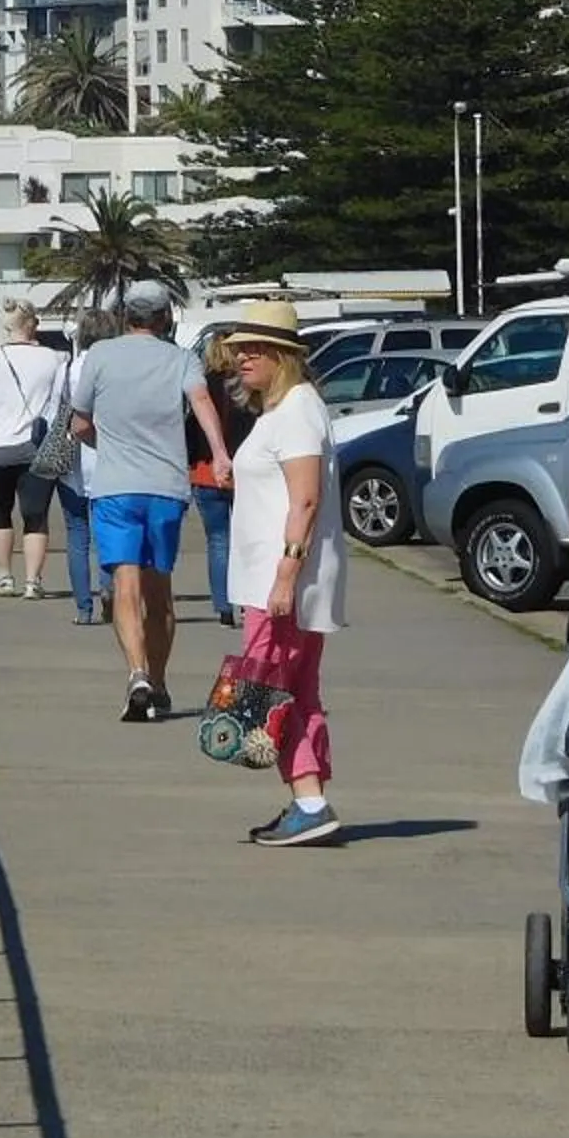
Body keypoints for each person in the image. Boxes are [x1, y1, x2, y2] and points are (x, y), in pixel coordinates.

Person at [68, 280, 234, 722]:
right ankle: (158, 681)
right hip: (166, 487)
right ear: (164, 319)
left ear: (126, 316)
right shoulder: (181, 358)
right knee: (160, 592)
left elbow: (79, 423)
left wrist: (108, 445)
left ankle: (136, 672)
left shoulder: (100, 356)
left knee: (125, 583)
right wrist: (219, 455)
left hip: (115, 486)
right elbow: (201, 400)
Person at [218, 298, 347, 846]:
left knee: (267, 692)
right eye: (238, 349)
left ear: (282, 356)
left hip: (278, 583)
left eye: (254, 349)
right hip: (277, 579)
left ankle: (310, 800)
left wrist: (285, 576)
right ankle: (308, 798)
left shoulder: (295, 410)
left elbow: (307, 498)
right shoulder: (287, 408)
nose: (242, 358)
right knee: (293, 689)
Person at [0, 301, 68, 600]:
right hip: (39, 448)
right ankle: (33, 581)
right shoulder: (56, 358)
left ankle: (4, 575)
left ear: (8, 326)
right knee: (36, 517)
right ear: (34, 324)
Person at [187, 330, 259, 629]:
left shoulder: (200, 387)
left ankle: (223, 606)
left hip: (205, 473)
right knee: (247, 541)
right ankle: (248, 601)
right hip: (244, 472)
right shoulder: (248, 388)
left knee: (218, 541)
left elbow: (191, 431)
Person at [33, 327, 95, 625]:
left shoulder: (67, 368)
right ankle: (109, 591)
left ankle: (84, 606)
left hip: (72, 460)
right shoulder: (113, 367)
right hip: (110, 461)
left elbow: (50, 412)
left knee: (77, 534)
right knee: (109, 535)